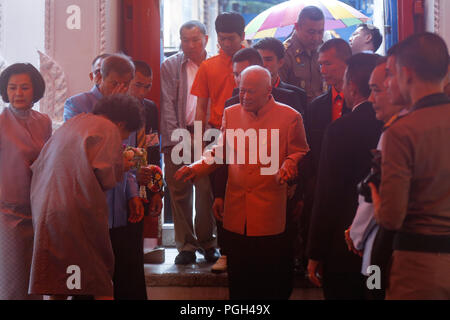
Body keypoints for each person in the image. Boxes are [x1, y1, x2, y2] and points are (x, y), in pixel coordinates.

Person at [175, 66, 309, 300]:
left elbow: (300, 152)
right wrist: (196, 167)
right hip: (237, 209)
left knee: (272, 282)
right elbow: (221, 151)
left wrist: (290, 164)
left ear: (268, 90)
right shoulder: (232, 112)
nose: (244, 97)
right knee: (239, 281)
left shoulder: (290, 116)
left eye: (251, 92)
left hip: (271, 210)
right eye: (241, 91)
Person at [29, 94, 143, 300]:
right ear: (121, 123)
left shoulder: (74, 123)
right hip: (75, 210)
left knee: (59, 280)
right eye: (125, 135)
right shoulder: (107, 128)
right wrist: (123, 165)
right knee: (98, 278)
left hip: (45, 206)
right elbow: (105, 175)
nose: (123, 139)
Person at [370, 33, 450, 300]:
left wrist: (375, 194)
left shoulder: (402, 132)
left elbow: (392, 217)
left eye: (390, 74)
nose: (390, 82)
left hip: (420, 266)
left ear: (407, 74)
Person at [307, 53, 383, 300]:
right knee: (375, 291)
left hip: (341, 243)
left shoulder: (341, 129)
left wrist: (315, 252)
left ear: (351, 86)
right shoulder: (395, 126)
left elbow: (327, 193)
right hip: (382, 242)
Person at [344, 57, 409, 300]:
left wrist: (356, 235)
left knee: (375, 291)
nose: (371, 99)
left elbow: (376, 196)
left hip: (383, 246)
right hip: (383, 244)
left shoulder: (396, 134)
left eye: (376, 90)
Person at [293, 38, 353, 274]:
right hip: (322, 191)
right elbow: (307, 151)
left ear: (347, 64)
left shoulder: (365, 106)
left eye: (328, 64)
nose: (322, 70)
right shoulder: (317, 106)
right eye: (320, 65)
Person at [160, 21, 217, 265]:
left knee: (206, 191)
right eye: (185, 40)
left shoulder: (215, 64)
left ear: (205, 39)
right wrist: (176, 139)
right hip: (179, 132)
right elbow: (167, 104)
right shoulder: (170, 65)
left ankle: (208, 242)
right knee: (179, 191)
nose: (190, 45)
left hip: (207, 135)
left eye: (195, 40)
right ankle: (185, 245)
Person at [0, 63, 52, 300]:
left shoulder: (44, 121)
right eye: (12, 88)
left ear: (35, 90)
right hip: (7, 213)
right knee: (12, 284)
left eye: (24, 87)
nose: (18, 93)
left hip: (39, 212)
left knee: (37, 281)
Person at [191, 12, 245, 130]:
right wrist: (198, 141)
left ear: (242, 36)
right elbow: (201, 107)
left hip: (250, 130)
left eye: (231, 38)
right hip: (217, 131)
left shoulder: (254, 63)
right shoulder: (207, 66)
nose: (226, 44)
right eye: (222, 38)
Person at [280, 6, 326, 102]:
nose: (316, 38)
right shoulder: (284, 54)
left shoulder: (324, 50)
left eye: (320, 32)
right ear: (297, 27)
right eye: (311, 32)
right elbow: (280, 94)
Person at [253, 37, 307, 115]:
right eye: (259, 60)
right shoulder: (243, 94)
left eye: (268, 59)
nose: (263, 64)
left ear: (280, 62)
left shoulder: (297, 95)